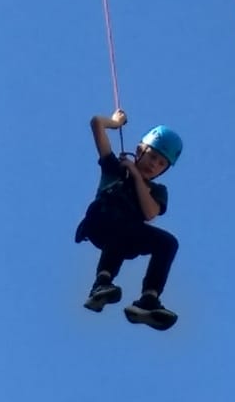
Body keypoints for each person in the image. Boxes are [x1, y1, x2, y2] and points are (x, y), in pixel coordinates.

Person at [75, 109, 183, 330]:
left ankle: (149, 300)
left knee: (168, 243)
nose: (154, 164)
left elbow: (150, 213)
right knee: (122, 221)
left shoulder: (157, 190)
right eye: (152, 156)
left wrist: (135, 174)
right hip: (101, 221)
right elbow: (96, 123)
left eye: (161, 163)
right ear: (139, 150)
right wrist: (115, 123)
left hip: (127, 234)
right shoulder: (114, 168)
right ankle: (101, 282)